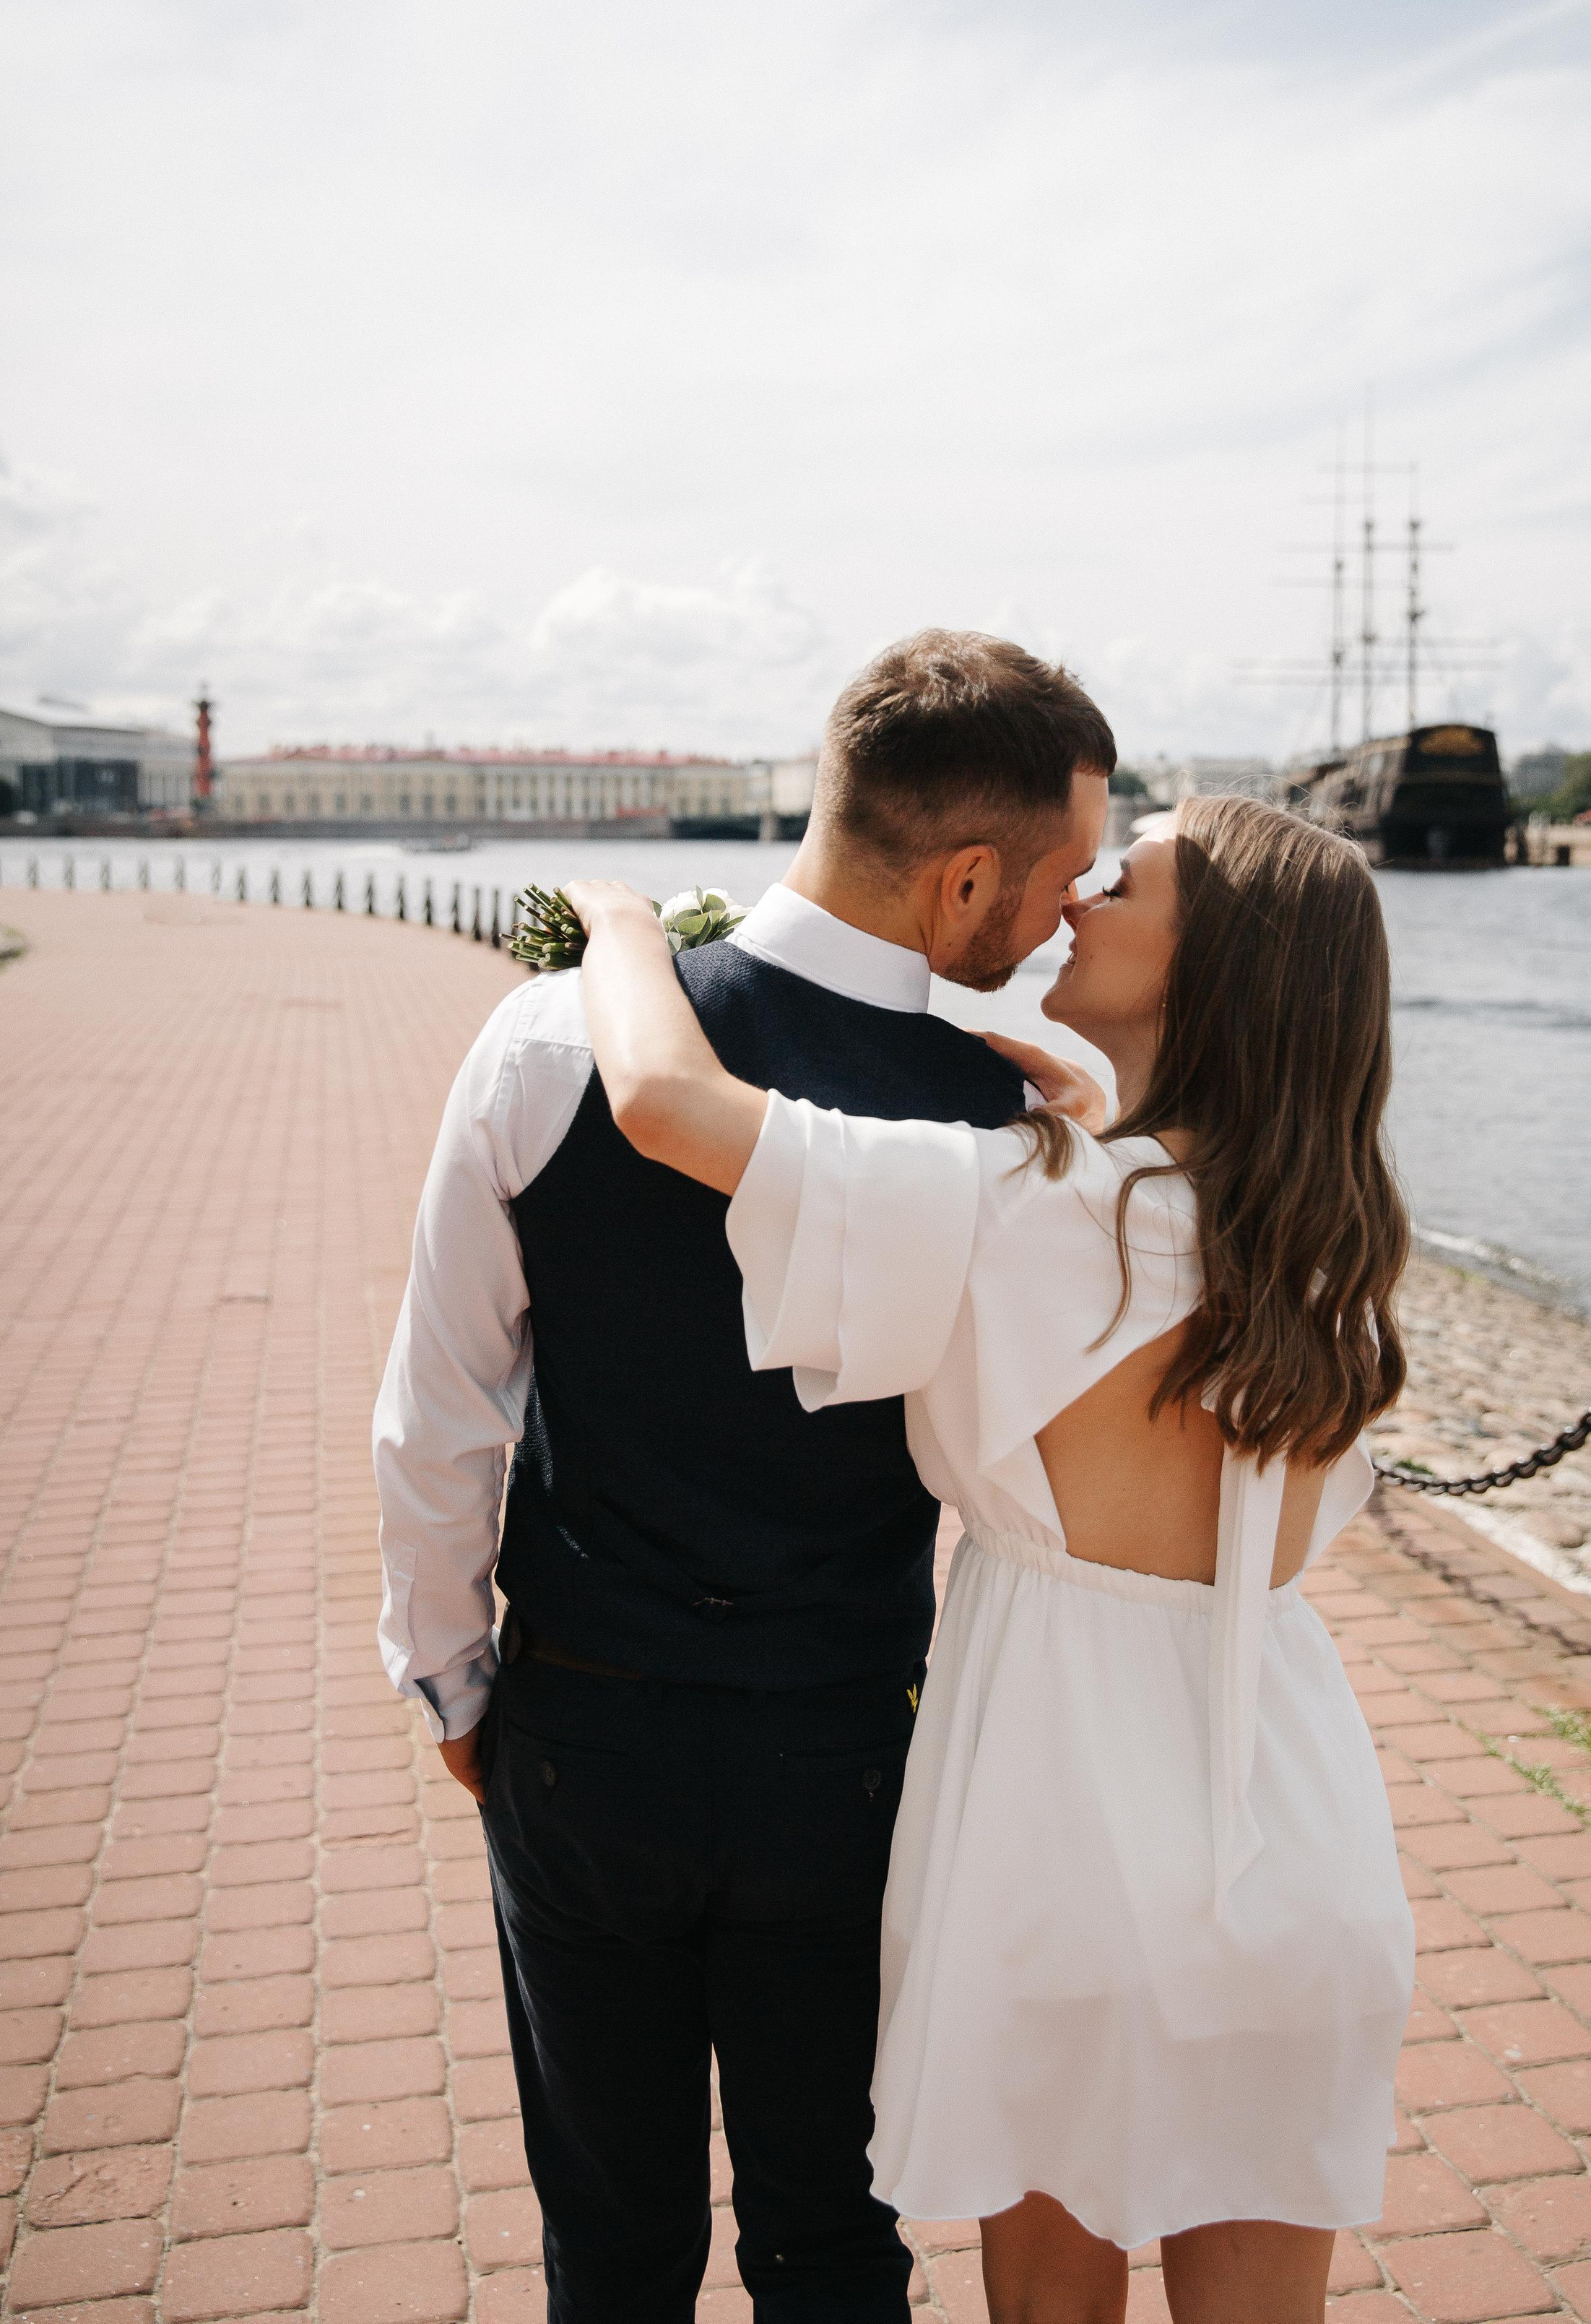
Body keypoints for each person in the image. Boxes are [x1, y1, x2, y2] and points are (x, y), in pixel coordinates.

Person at [561, 793, 1416, 2324]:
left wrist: (622, 924)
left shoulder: (1007, 1201)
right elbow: (1155, 1239)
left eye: (1127, 880)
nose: (1081, 896)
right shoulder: (1322, 1256)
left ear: (1209, 963)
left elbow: (664, 1100)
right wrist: (1095, 1114)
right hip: (1300, 1842)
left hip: (1059, 1839)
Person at [372, 630, 1116, 2323]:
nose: (1067, 916)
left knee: (612, 2250)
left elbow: (440, 1416)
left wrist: (454, 1688)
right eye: (1062, 877)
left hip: (586, 1733)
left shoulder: (546, 1045)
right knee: (830, 2243)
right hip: (841, 1761)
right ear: (964, 880)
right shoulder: (1003, 1138)